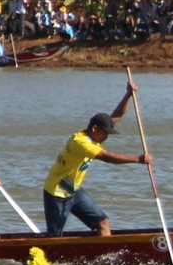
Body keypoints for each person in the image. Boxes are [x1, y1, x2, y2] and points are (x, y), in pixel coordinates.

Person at [42, 86, 149, 236]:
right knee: (54, 238)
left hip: (74, 190)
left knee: (103, 222)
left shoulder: (93, 135)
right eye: (105, 133)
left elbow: (116, 116)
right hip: (56, 193)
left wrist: (128, 95)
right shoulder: (81, 143)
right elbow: (107, 157)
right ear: (95, 128)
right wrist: (138, 159)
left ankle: (108, 256)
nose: (107, 137)